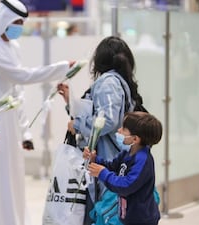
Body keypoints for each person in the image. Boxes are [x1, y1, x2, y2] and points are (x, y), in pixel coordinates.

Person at [0, 1, 74, 224]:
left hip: (10, 124)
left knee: (11, 180)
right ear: (2, 19)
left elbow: (17, 92)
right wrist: (62, 67)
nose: (18, 28)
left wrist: (24, 131)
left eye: (21, 23)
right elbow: (21, 76)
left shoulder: (12, 47)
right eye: (15, 23)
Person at [57, 36, 144, 225]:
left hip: (106, 159)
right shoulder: (119, 81)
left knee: (103, 212)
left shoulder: (108, 82)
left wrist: (78, 124)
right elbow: (99, 113)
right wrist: (71, 103)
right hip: (112, 159)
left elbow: (108, 120)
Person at [86, 111, 162, 225]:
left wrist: (103, 174)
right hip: (127, 216)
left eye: (123, 129)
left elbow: (126, 185)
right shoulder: (127, 152)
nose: (119, 131)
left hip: (142, 220)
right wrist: (95, 159)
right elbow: (113, 166)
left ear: (135, 139)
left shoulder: (143, 160)